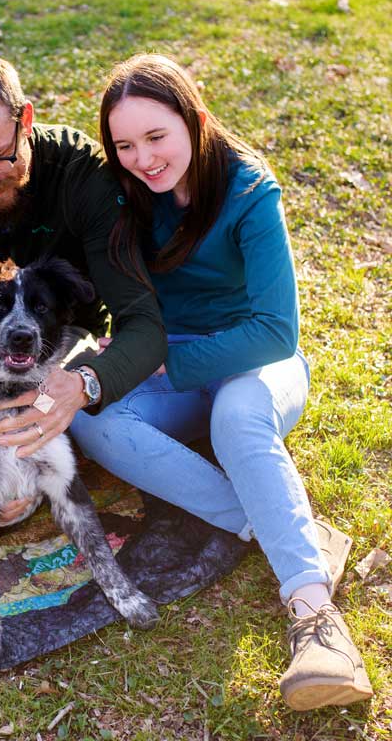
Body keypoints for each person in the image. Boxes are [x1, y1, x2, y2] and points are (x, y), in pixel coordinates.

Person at [70, 53, 373, 710]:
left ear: (195, 120)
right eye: (124, 145)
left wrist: (162, 363)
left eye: (156, 137)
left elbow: (276, 331)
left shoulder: (248, 191)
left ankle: (317, 620)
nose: (143, 159)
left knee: (237, 418)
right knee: (91, 415)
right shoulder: (121, 193)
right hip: (164, 360)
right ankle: (284, 526)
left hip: (254, 362)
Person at [0, 43, 166, 521]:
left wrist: (85, 383)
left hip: (64, 339)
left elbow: (143, 321)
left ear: (25, 119)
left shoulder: (83, 174)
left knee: (27, 407)